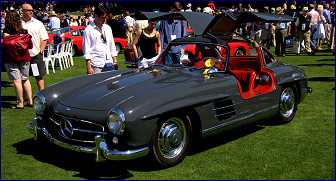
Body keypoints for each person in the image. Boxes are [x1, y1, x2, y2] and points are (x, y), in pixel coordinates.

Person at [2, 10, 33, 109]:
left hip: (12, 58)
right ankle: (30, 101)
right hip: (24, 57)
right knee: (25, 79)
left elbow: (7, 45)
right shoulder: (24, 31)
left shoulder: (7, 31)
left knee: (17, 80)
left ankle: (20, 103)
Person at [82, 5, 118, 74]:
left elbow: (112, 45)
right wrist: (89, 67)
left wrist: (115, 60)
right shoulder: (88, 30)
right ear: (95, 16)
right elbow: (86, 50)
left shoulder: (107, 28)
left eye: (106, 17)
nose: (105, 20)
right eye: (103, 18)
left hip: (109, 63)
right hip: (96, 64)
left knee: (112, 83)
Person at [21, 3, 49, 91]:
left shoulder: (38, 24)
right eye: (29, 10)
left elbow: (44, 38)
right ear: (22, 11)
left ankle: (42, 94)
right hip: (22, 56)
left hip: (35, 55)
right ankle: (24, 97)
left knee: (38, 76)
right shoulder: (18, 23)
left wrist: (40, 51)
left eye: (32, 10)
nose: (31, 12)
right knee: (24, 78)